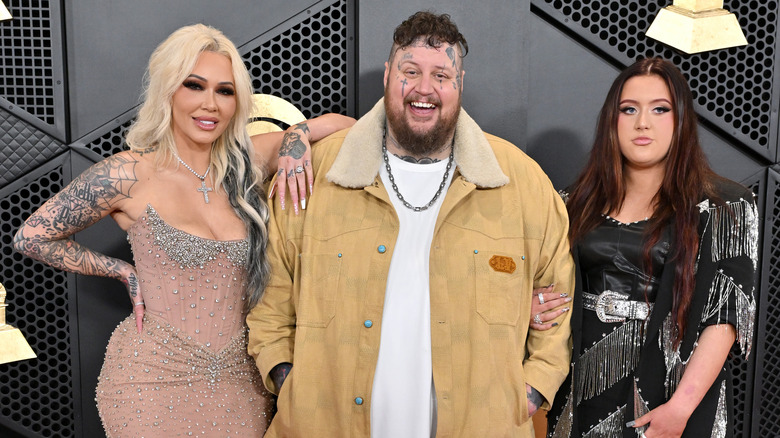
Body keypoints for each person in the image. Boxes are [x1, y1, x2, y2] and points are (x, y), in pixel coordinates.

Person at [12, 23, 353, 436]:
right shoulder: (128, 172)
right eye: (195, 86)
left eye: (225, 91)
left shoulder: (251, 162)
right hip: (152, 381)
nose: (210, 104)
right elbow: (31, 236)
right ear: (169, 91)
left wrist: (296, 134)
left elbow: (345, 126)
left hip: (242, 383)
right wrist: (120, 270)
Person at [247, 11, 575, 437]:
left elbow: (559, 304)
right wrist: (291, 383)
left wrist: (526, 396)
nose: (425, 88)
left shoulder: (521, 182)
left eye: (442, 75)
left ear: (460, 84)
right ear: (387, 74)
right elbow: (269, 297)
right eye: (410, 71)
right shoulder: (318, 172)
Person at [535, 58, 758, 438]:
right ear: (612, 120)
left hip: (669, 391)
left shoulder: (726, 205)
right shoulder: (569, 202)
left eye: (660, 109)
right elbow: (542, 282)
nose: (643, 122)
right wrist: (534, 306)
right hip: (580, 388)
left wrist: (681, 408)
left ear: (682, 120)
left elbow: (725, 320)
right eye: (629, 109)